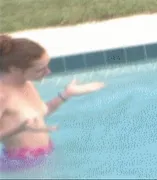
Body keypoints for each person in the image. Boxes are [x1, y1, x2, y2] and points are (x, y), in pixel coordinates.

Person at [0, 34, 104, 164]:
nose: (48, 72)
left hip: (45, 154)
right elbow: (24, 125)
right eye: (40, 70)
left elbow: (41, 113)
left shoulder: (27, 84)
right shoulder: (2, 95)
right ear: (14, 69)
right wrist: (18, 129)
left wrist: (66, 94)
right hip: (21, 163)